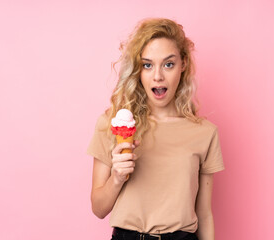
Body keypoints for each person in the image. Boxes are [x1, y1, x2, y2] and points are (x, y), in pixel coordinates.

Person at [87, 18, 225, 240]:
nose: (158, 76)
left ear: (183, 65)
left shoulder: (205, 133)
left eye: (168, 64)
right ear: (138, 70)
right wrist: (117, 178)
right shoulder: (111, 124)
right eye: (147, 65)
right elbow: (98, 208)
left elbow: (204, 214)